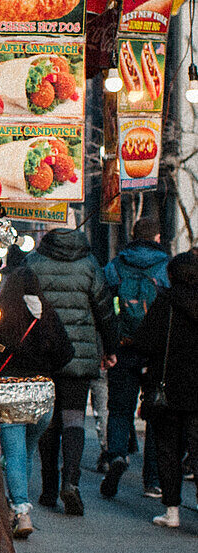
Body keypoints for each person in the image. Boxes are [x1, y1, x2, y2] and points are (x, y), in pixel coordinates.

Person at [24, 228, 119, 516]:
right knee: (75, 419)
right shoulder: (90, 265)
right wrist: (110, 348)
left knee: (48, 421)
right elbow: (104, 310)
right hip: (79, 355)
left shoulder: (34, 263)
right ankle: (72, 482)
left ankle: (49, 488)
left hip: (44, 354)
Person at [0, 266, 74, 537]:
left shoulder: (2, 313)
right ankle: (18, 505)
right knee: (25, 453)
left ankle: (21, 510)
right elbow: (67, 352)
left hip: (12, 390)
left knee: (14, 454)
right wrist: (46, 369)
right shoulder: (48, 313)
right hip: (42, 394)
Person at [100, 216, 170, 499]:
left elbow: (104, 305)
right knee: (156, 413)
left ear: (132, 235)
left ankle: (117, 456)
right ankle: (153, 479)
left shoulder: (116, 265)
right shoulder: (167, 267)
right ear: (157, 238)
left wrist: (108, 347)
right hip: (156, 353)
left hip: (123, 347)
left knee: (119, 409)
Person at [133, 250, 198, 528]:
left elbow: (145, 342)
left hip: (167, 387)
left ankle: (172, 511)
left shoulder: (166, 303)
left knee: (168, 449)